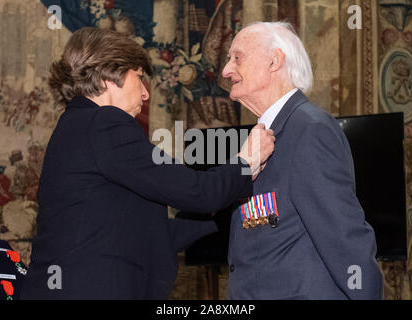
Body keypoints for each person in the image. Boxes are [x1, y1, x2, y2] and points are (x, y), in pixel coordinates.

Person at [20, 27, 275, 299]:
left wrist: (223, 221)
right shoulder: (104, 124)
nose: (144, 94)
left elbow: (140, 230)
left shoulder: (76, 126)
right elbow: (197, 192)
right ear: (109, 76)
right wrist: (247, 160)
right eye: (139, 78)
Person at [221, 21, 383, 300]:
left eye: (237, 57)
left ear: (274, 61)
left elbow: (345, 239)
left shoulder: (310, 129)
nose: (226, 70)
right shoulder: (264, 136)